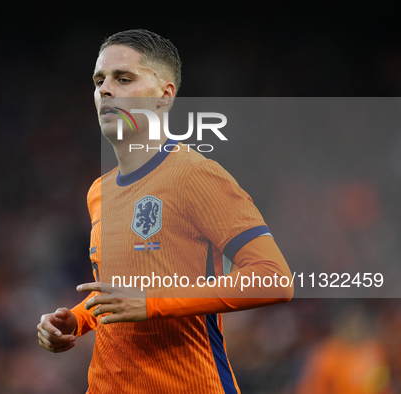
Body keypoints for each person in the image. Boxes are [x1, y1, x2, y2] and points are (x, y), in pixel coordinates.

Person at [37, 29, 293, 393]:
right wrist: (75, 320)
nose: (105, 90)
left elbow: (274, 278)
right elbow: (127, 290)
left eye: (123, 78)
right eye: (99, 80)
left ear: (164, 96)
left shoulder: (195, 175)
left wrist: (154, 303)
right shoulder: (100, 191)